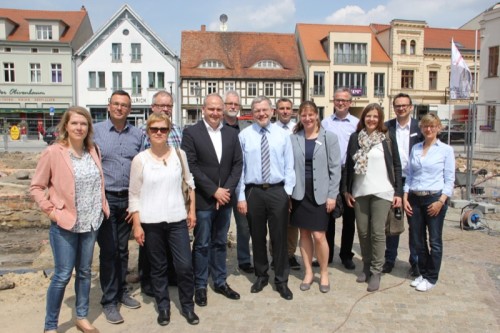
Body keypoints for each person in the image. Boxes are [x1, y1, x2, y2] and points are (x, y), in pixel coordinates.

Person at [31, 106, 110, 333]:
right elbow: (36, 186)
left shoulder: (93, 150)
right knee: (63, 275)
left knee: (85, 272)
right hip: (65, 223)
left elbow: (98, 182)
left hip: (91, 222)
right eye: (74, 123)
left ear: (89, 127)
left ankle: (82, 316)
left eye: (83, 124)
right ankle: (50, 326)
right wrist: (51, 211)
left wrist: (103, 207)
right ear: (65, 125)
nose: (79, 127)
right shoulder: (54, 152)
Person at [129, 113, 199, 326]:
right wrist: (137, 224)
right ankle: (164, 307)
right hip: (151, 222)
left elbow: (190, 182)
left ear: (169, 132)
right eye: (154, 129)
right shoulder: (140, 159)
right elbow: (134, 194)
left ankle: (188, 306)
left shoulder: (179, 155)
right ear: (148, 132)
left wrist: (192, 211)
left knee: (185, 266)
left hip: (177, 219)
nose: (159, 133)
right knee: (157, 268)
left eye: (163, 129)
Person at [182, 93, 243, 307]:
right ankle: (200, 285)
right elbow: (191, 166)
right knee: (202, 243)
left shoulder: (231, 134)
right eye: (211, 109)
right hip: (204, 200)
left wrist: (225, 190)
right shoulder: (191, 133)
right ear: (203, 109)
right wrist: (213, 191)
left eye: (219, 109)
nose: (216, 113)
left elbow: (237, 165)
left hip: (224, 199)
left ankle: (220, 281)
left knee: (220, 242)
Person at [237, 96, 295, 300]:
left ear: (272, 111)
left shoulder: (283, 135)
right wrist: (241, 196)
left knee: (279, 237)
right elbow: (240, 168)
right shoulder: (244, 135)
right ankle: (261, 275)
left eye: (264, 110)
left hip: (277, 190)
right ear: (252, 113)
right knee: (257, 236)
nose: (261, 114)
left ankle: (281, 280)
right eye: (257, 111)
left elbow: (290, 165)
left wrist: (287, 192)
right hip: (253, 192)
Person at [94, 90, 144, 325]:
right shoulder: (96, 132)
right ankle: (109, 300)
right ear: (109, 106)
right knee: (109, 250)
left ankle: (122, 290)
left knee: (123, 249)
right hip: (106, 199)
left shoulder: (137, 134)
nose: (120, 108)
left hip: (128, 200)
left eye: (124, 105)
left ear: (130, 109)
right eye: (116, 104)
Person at [343, 103, 403, 292]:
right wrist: (346, 190)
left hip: (382, 191)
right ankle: (366, 266)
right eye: (368, 116)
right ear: (363, 118)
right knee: (363, 231)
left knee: (377, 232)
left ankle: (376, 271)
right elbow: (348, 166)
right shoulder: (355, 138)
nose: (371, 119)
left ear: (380, 118)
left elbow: (397, 165)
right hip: (360, 191)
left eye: (375, 116)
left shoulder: (386, 138)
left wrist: (398, 193)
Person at [290, 101, 341, 293]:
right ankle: (309, 272)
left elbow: (335, 169)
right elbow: (289, 166)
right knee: (303, 234)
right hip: (300, 193)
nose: (308, 118)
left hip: (321, 193)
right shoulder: (294, 138)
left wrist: (332, 195)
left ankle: (324, 272)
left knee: (319, 235)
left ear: (316, 116)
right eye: (304, 115)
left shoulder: (329, 137)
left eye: (311, 114)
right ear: (300, 117)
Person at [404, 113, 455, 292]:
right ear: (421, 128)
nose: (429, 129)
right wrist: (405, 196)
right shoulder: (416, 148)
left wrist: (441, 201)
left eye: (432, 126)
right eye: (426, 126)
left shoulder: (446, 150)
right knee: (418, 240)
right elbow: (410, 174)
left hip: (435, 198)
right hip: (415, 198)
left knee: (434, 240)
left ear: (438, 128)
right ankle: (424, 273)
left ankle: (432, 277)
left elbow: (449, 179)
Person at [140, 90, 180, 296]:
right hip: (150, 196)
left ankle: (171, 276)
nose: (165, 109)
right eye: (161, 105)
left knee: (171, 239)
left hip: (173, 195)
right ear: (152, 107)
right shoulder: (144, 132)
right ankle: (148, 281)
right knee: (150, 243)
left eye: (169, 106)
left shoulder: (178, 131)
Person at [382, 93, 423, 276]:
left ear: (411, 107)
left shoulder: (419, 127)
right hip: (394, 180)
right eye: (397, 105)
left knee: (415, 223)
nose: (401, 108)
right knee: (393, 222)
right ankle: (389, 259)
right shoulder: (387, 127)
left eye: (404, 105)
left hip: (415, 180)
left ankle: (415, 260)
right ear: (394, 107)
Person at [320, 87, 359, 270]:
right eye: (338, 100)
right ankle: (326, 256)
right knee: (329, 215)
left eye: (344, 100)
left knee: (349, 217)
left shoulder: (357, 124)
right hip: (330, 171)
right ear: (333, 101)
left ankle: (346, 254)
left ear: (350, 102)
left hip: (350, 173)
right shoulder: (325, 123)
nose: (341, 103)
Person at [223, 91, 254, 274]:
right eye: (230, 104)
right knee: (222, 225)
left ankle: (244, 259)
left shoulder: (247, 127)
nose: (233, 106)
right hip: (224, 184)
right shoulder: (217, 126)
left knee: (244, 226)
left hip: (243, 184)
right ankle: (218, 259)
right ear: (225, 106)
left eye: (236, 104)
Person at [275, 98, 300, 271]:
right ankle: (275, 254)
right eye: (281, 108)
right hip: (276, 182)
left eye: (288, 108)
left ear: (293, 111)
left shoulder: (298, 129)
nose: (285, 111)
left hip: (294, 181)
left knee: (292, 223)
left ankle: (290, 254)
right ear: (276, 111)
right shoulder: (270, 129)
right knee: (275, 223)